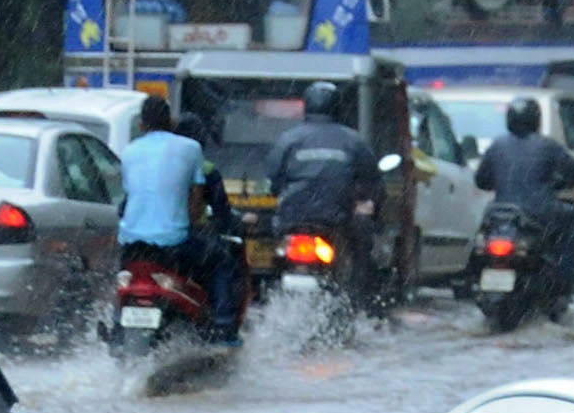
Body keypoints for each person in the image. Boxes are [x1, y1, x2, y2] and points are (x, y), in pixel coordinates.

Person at [117, 92, 248, 343]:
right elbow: (196, 203)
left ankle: (115, 321)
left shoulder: (129, 152)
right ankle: (223, 327)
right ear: (171, 122)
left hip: (131, 245)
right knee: (223, 261)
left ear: (141, 125)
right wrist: (196, 224)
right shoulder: (191, 149)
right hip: (173, 244)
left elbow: (130, 196)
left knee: (122, 273)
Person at [265, 80, 382, 293]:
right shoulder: (353, 141)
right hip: (336, 220)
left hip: (292, 219)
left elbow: (273, 178)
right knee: (362, 251)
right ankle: (358, 298)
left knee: (272, 252)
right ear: (337, 106)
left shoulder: (289, 139)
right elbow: (372, 181)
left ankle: (269, 285)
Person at [473, 95, 574, 298]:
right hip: (539, 212)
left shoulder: (497, 145)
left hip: (501, 213)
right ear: (536, 120)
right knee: (572, 216)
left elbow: (481, 180)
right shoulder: (548, 146)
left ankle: (472, 275)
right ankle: (566, 279)